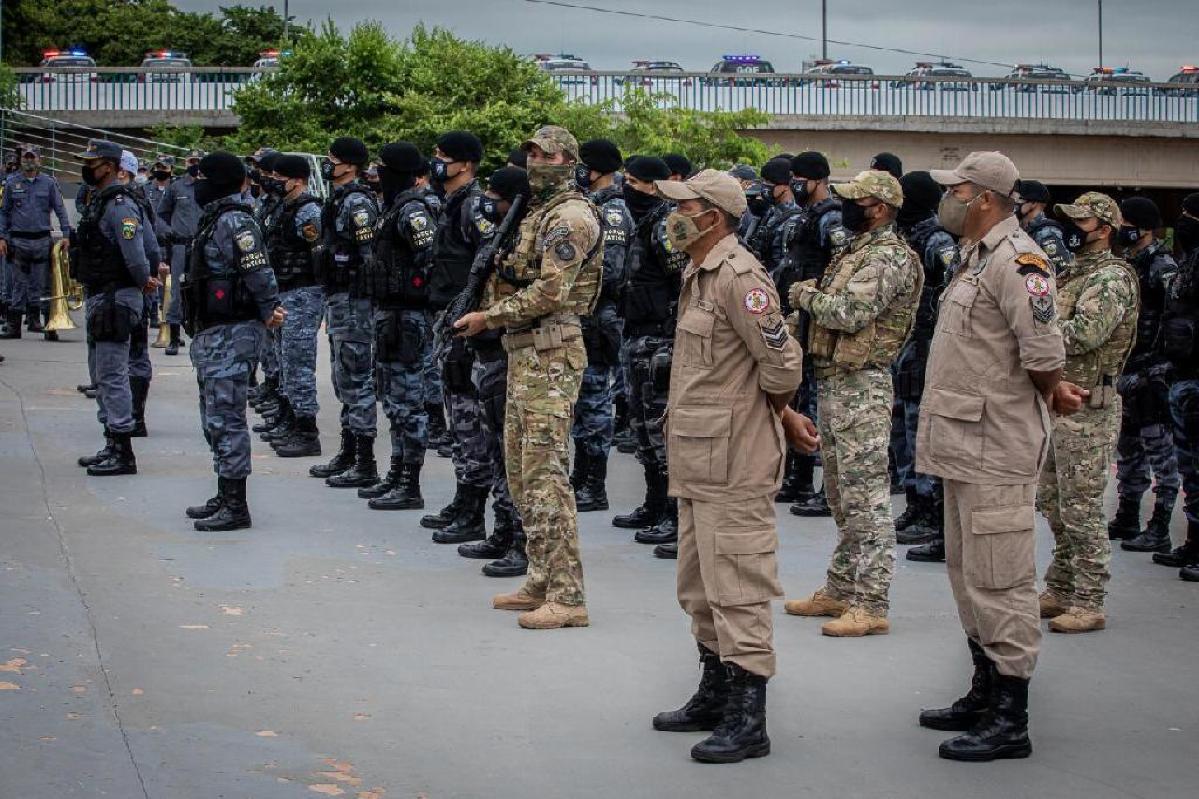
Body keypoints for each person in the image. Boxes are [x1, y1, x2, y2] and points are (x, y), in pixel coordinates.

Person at [919, 151, 1078, 762]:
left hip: (995, 445)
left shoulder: (1021, 261)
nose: (948, 198)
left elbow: (1042, 351)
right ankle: (985, 689)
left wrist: (1050, 388)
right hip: (964, 443)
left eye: (955, 189)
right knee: (967, 575)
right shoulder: (975, 257)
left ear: (984, 197)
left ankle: (1011, 715)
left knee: (1001, 578)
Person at [650, 169, 807, 764]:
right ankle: (714, 693)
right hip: (698, 458)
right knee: (698, 586)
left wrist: (772, 415)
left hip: (735, 461)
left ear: (712, 216)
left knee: (737, 586)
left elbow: (781, 363)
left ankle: (749, 718)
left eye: (682, 206)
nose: (673, 216)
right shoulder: (699, 272)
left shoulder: (741, 277)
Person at [454, 125, 601, 629]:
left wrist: (488, 317)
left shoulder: (571, 217)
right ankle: (542, 576)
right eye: (531, 153)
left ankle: (568, 595)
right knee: (521, 470)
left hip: (551, 351)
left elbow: (551, 293)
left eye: (544, 153)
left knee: (545, 474)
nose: (534, 160)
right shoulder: (536, 212)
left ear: (567, 160)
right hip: (526, 351)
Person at [784, 170, 921, 637]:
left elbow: (850, 312)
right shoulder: (857, 250)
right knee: (842, 494)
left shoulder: (886, 257)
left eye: (855, 200)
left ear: (879, 208)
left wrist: (806, 294)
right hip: (836, 380)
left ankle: (872, 601)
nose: (845, 206)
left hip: (862, 384)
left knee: (867, 499)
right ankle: (841, 587)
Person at [1037, 192, 1139, 633]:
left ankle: (1089, 597)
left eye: (1082, 222)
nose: (1072, 229)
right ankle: (1061, 585)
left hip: (1089, 407)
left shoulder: (1112, 278)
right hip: (1060, 404)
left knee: (1083, 506)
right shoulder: (1073, 273)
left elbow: (1086, 333)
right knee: (1053, 501)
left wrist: (1035, 332)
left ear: (1105, 229)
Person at [181, 152, 284, 531]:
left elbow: (258, 270)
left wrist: (269, 307)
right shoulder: (216, 217)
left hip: (233, 331)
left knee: (226, 416)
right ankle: (225, 491)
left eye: (202, 178)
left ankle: (236, 503)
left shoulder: (235, 221)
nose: (196, 185)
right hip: (214, 331)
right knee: (214, 416)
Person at [457, 167, 533, 578]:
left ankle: (521, 540)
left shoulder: (529, 238)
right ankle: (503, 529)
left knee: (514, 453)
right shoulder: (502, 236)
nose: (487, 199)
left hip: (512, 348)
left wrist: (489, 317)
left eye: (494, 192)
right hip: (490, 348)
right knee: (494, 447)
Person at [422, 131, 495, 545]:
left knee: (471, 421)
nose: (437, 163)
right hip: (449, 325)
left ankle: (474, 508)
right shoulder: (452, 205)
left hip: (469, 330)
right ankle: (464, 498)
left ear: (464, 164)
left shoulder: (475, 207)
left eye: (443, 156)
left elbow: (488, 263)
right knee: (458, 417)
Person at [357, 142, 440, 510]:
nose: (378, 175)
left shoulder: (413, 211)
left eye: (384, 168)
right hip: (390, 315)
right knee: (392, 399)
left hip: (409, 317)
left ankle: (410, 481)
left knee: (408, 401)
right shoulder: (393, 208)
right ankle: (395, 472)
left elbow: (431, 259)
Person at [612, 156, 688, 552]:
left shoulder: (667, 223)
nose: (629, 188)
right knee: (642, 428)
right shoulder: (646, 219)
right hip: (638, 333)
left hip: (661, 338)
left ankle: (675, 515)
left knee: (661, 429)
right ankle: (655, 503)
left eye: (636, 182)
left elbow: (682, 279)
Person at [70, 141, 158, 476]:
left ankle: (122, 448)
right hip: (103, 295)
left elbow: (138, 247)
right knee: (101, 371)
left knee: (112, 373)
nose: (87, 168)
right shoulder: (103, 200)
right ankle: (111, 442)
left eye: (92, 163)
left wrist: (143, 278)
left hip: (115, 296)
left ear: (108, 165)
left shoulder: (119, 203)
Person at [307, 137, 381, 489]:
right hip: (339, 298)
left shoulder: (357, 202)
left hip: (354, 300)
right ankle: (349, 450)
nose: (327, 164)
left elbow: (368, 255)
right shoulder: (337, 198)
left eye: (333, 159)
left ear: (350, 165)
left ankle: (365, 460)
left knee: (355, 377)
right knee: (341, 377)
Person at [892, 171, 958, 562]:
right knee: (903, 432)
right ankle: (915, 503)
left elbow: (950, 287)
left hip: (927, 346)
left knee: (922, 434)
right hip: (907, 345)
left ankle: (933, 513)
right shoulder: (906, 236)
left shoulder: (936, 239)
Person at [1110, 197, 1179, 553]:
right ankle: (1127, 516)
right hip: (1129, 370)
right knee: (1129, 449)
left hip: (1152, 373)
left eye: (1127, 221)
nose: (1122, 226)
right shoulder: (1130, 262)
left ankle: (1161, 525)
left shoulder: (1162, 266)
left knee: (1160, 454)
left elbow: (1173, 319)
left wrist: (1160, 367)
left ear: (1145, 227)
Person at [782, 151, 848, 515]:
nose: (794, 183)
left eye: (799, 177)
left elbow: (838, 268)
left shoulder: (831, 218)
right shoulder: (807, 217)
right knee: (801, 399)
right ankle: (800, 478)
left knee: (818, 405)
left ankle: (824, 487)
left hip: (820, 318)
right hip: (803, 319)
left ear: (818, 180)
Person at [571, 138, 632, 512]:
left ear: (595, 170)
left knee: (594, 400)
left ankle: (594, 483)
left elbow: (612, 270)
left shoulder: (612, 212)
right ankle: (581, 476)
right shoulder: (590, 206)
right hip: (584, 314)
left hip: (599, 315)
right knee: (582, 400)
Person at [260, 154, 326, 459]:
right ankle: (290, 419)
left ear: (297, 180)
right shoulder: (282, 207)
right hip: (283, 292)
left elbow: (319, 253)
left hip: (302, 292)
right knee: (285, 360)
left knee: (298, 363)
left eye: (279, 176)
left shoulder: (308, 210)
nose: (273, 181)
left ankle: (306, 430)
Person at [1154, 194, 1199, 580]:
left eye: (1189, 216)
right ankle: (1193, 542)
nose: (1183, 222)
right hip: (1183, 373)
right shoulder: (1190, 262)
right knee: (1190, 468)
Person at [0, 144, 72, 340]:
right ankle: (13, 326)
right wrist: (2, 237)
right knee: (17, 285)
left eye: (32, 157)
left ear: (40, 160)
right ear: (21, 159)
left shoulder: (48, 183)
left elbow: (60, 209)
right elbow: (4, 212)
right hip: (18, 240)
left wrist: (66, 234)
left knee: (41, 285)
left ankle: (39, 322)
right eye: (25, 157)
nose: (29, 160)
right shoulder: (11, 183)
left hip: (41, 240)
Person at [159, 149, 205, 355]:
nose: (194, 164)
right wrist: (169, 232)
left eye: (198, 161)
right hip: (180, 246)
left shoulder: (210, 186)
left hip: (203, 246)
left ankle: (201, 334)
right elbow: (161, 214)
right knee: (176, 291)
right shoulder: (176, 187)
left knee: (202, 288)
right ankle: (174, 337)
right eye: (191, 161)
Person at [1014, 179, 1071, 275]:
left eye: (1019, 199)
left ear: (1033, 203)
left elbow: (1063, 272)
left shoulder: (1047, 233)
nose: (1014, 204)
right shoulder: (1023, 230)